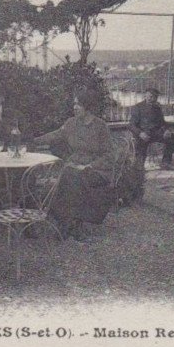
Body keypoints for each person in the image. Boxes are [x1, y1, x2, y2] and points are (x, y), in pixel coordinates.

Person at [33, 88, 116, 239]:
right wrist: (33, 141)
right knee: (70, 174)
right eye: (74, 104)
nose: (75, 108)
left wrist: (90, 166)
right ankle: (69, 224)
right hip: (73, 168)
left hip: (97, 170)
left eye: (78, 104)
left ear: (88, 106)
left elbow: (110, 155)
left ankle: (62, 222)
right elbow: (55, 135)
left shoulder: (100, 127)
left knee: (71, 175)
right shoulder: (71, 123)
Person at [128, 87, 174, 170]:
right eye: (150, 96)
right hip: (143, 134)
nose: (152, 99)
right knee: (140, 147)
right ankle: (139, 166)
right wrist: (140, 133)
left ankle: (166, 163)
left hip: (155, 133)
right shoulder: (138, 107)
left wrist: (166, 130)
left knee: (173, 137)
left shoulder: (157, 108)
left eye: (154, 97)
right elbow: (131, 125)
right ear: (145, 96)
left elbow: (163, 122)